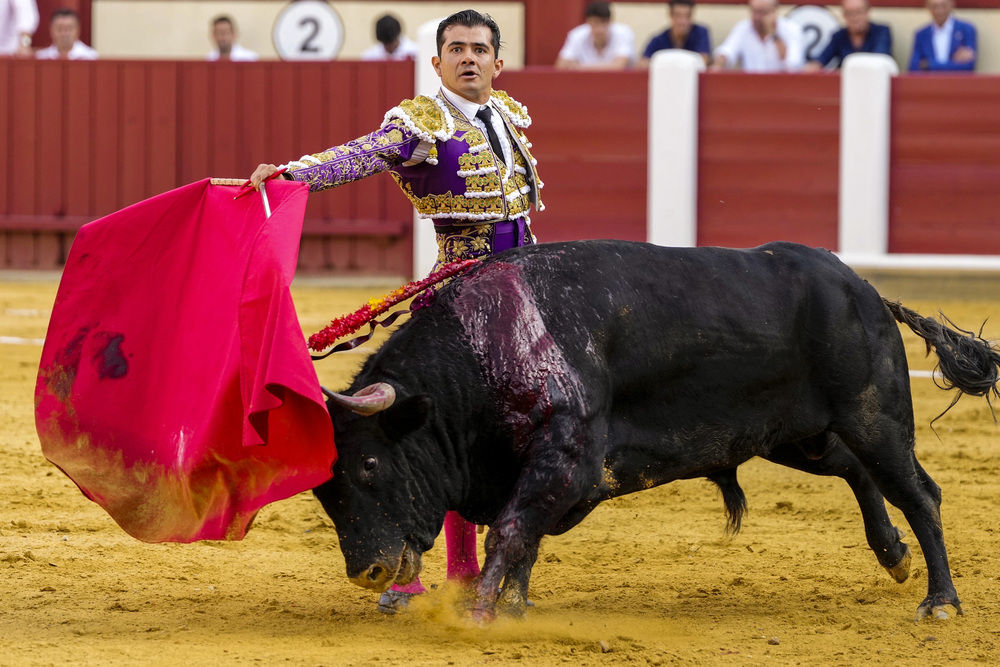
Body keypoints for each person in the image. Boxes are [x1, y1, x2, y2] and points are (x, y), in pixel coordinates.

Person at [248, 9, 543, 613]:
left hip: (527, 295)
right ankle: (440, 569)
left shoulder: (509, 115)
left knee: (518, 432)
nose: (468, 58)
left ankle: (492, 569)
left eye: (479, 49)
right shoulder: (421, 123)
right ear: (436, 63)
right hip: (461, 302)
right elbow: (362, 155)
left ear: (497, 61)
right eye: (455, 49)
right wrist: (294, 176)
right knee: (452, 432)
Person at [712, 0, 805, 72]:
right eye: (754, 11)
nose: (756, 17)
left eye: (761, 12)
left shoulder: (792, 29)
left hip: (782, 88)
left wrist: (773, 33)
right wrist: (719, 63)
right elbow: (728, 50)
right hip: (750, 87)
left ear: (774, 11)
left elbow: (793, 65)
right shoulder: (743, 27)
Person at [804, 0, 891, 71]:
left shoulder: (881, 32)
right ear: (844, 15)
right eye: (849, 13)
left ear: (867, 11)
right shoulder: (839, 36)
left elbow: (879, 59)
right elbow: (821, 60)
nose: (854, 17)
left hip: (875, 85)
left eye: (858, 12)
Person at [555, 1, 635, 69]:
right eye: (594, 23)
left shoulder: (623, 33)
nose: (599, 29)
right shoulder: (577, 35)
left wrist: (578, 67)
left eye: (603, 22)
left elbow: (618, 66)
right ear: (587, 22)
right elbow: (560, 66)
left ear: (610, 21)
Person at [908, 0, 976, 72]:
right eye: (934, 7)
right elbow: (913, 68)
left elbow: (968, 66)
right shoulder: (921, 34)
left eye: (943, 6)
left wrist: (929, 64)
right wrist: (953, 63)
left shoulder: (966, 30)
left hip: (959, 81)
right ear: (927, 7)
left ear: (951, 4)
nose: (939, 11)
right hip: (929, 82)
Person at [639, 0, 712, 66]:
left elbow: (704, 60)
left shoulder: (700, 33)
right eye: (678, 15)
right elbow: (642, 64)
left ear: (692, 16)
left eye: (687, 16)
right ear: (670, 15)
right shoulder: (659, 39)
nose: (682, 21)